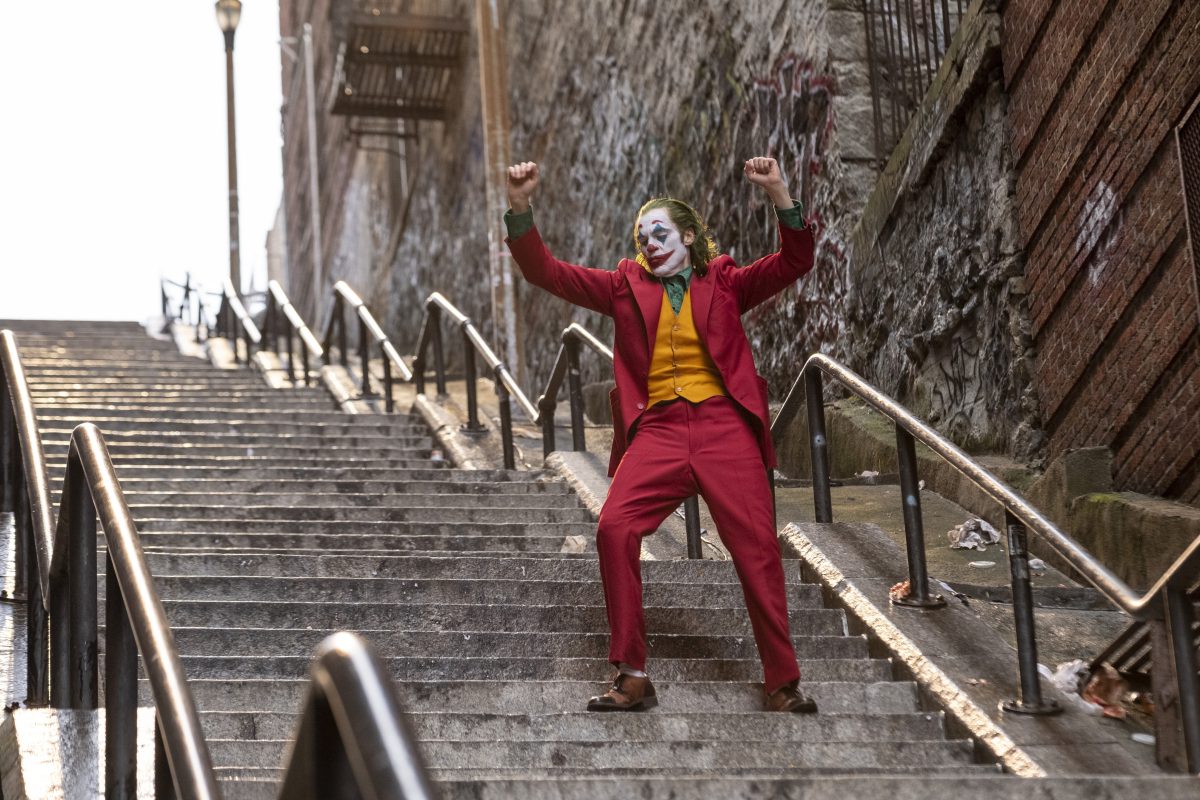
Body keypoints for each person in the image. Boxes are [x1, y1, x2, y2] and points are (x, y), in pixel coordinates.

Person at [503, 156, 817, 713]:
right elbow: (545, 273)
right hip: (659, 431)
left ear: (689, 236)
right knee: (615, 527)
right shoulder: (624, 285)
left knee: (758, 549)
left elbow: (794, 261)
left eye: (660, 233)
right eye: (642, 237)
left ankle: (781, 680)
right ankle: (633, 673)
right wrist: (521, 208)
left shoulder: (723, 280)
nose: (649, 243)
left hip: (725, 428)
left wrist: (779, 192)